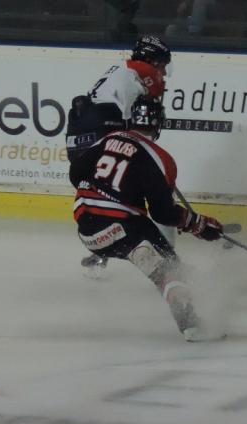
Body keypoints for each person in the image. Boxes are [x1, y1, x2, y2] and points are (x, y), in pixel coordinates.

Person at [69, 96, 224, 342]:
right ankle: (190, 323)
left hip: (86, 230)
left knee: (146, 238)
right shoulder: (160, 158)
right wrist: (200, 224)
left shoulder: (108, 138)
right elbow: (163, 213)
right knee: (167, 268)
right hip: (121, 228)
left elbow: (75, 173)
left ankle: (163, 265)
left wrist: (107, 190)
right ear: (158, 123)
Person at [66, 34, 173, 276]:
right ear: (152, 60)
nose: (164, 73)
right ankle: (168, 260)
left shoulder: (124, 70)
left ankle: (102, 251)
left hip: (83, 140)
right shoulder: (137, 73)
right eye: (163, 65)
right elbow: (132, 123)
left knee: (113, 195)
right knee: (132, 197)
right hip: (94, 140)